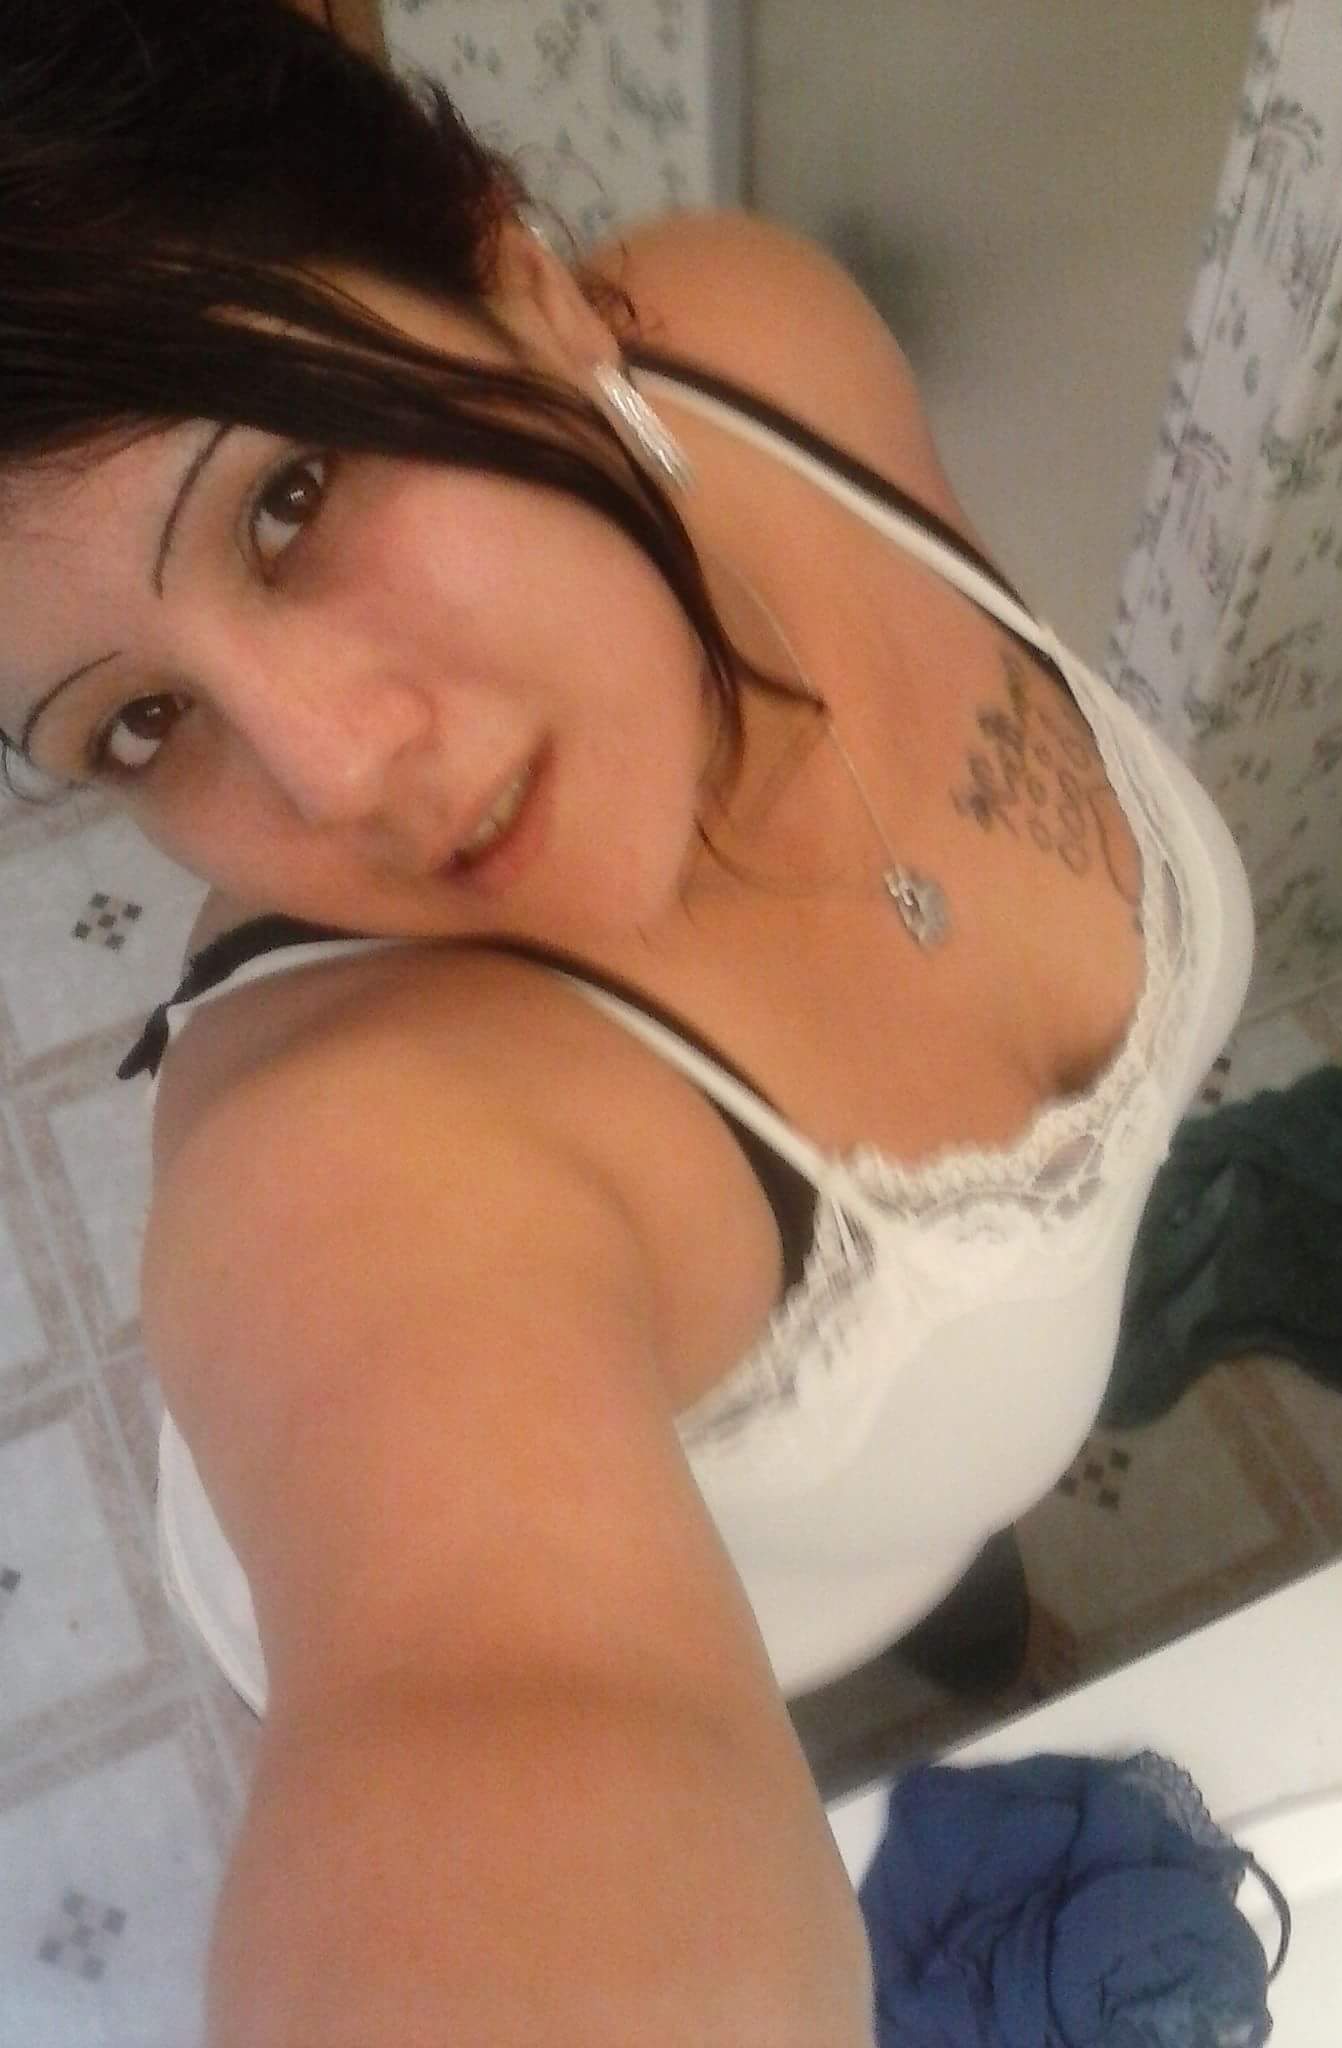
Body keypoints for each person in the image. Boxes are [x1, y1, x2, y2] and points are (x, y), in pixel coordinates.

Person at [0, 2, 1254, 2041]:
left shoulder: (760, 335)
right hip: (435, 1537)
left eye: (292, 494)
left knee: (942, 1531)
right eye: (140, 723)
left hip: (880, 1487)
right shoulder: (347, 1167)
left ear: (522, 286)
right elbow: (486, 1740)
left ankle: (949, 1583)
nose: (332, 772)